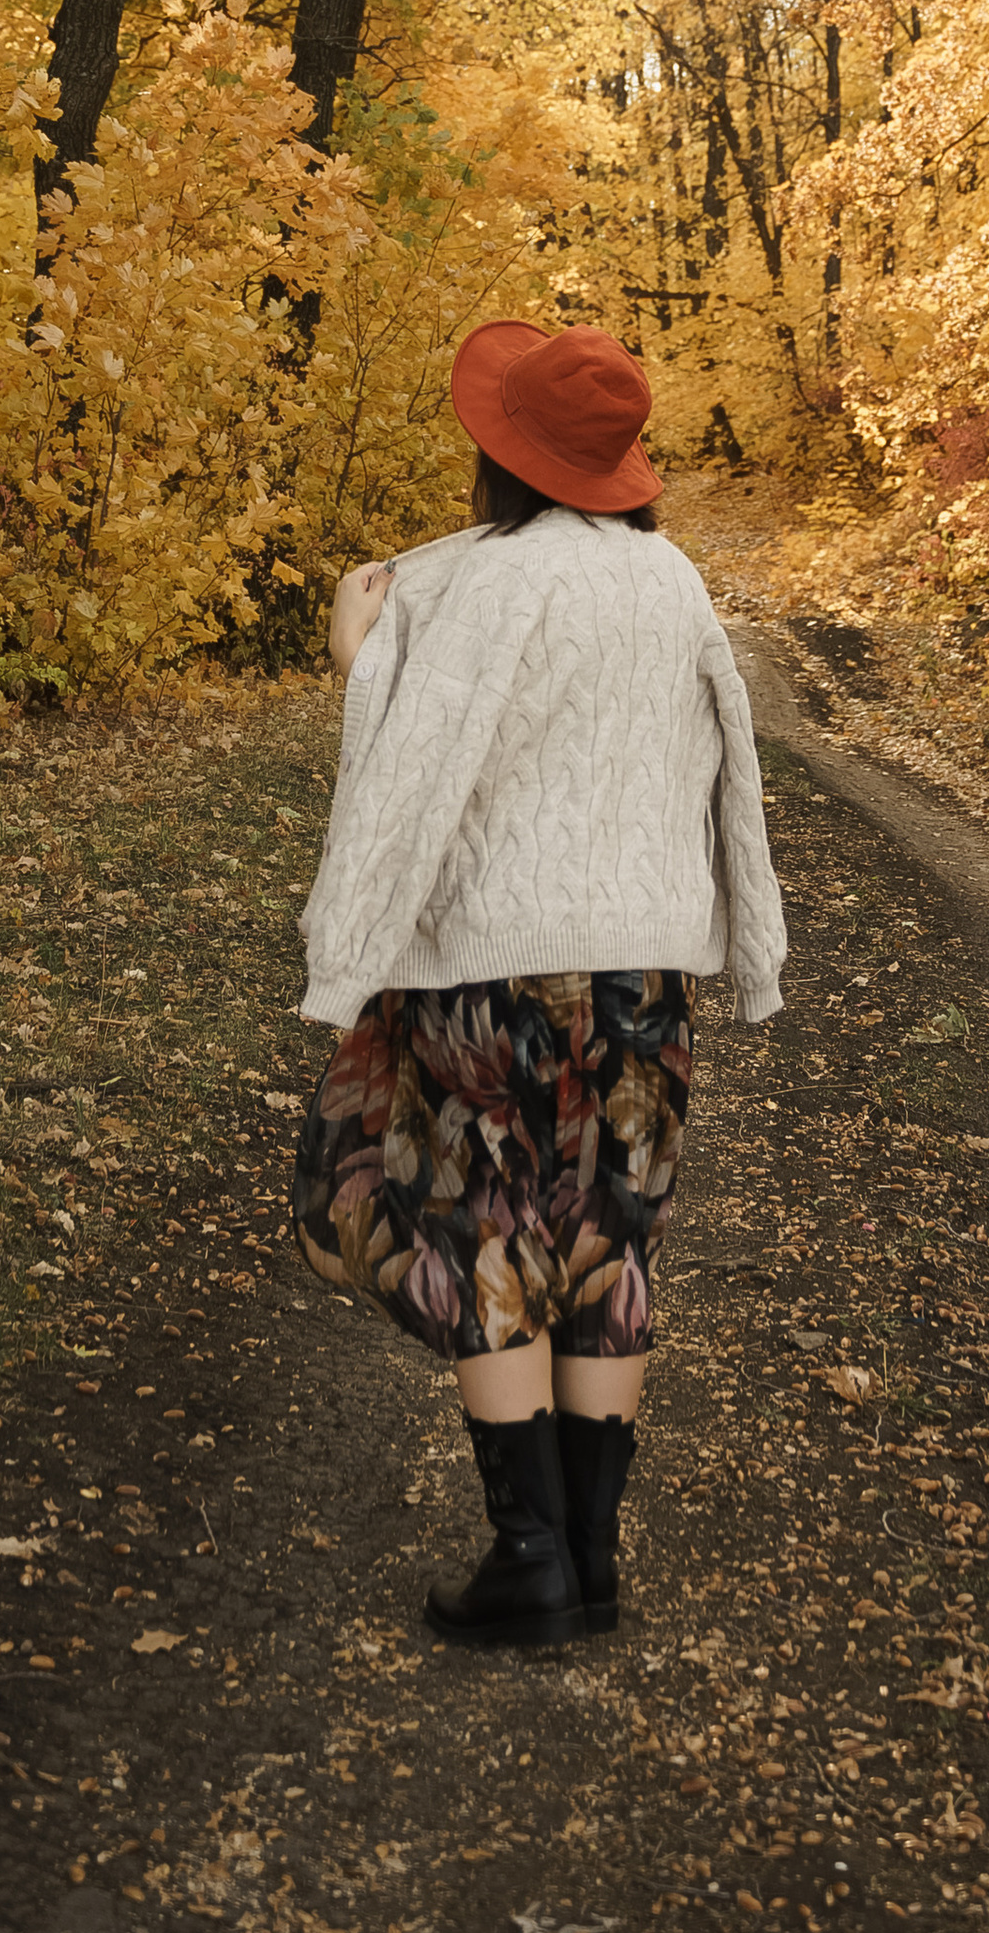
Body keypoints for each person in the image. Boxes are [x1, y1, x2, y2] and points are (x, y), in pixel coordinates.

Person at [290, 317, 787, 1650]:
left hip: (495, 967)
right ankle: (593, 1556)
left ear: (502, 459)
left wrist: (354, 662)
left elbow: (417, 758)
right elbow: (724, 763)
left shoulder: (487, 586)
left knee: (495, 1223)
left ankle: (531, 1555)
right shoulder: (670, 578)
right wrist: (748, 937)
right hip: (647, 966)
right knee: (610, 1236)